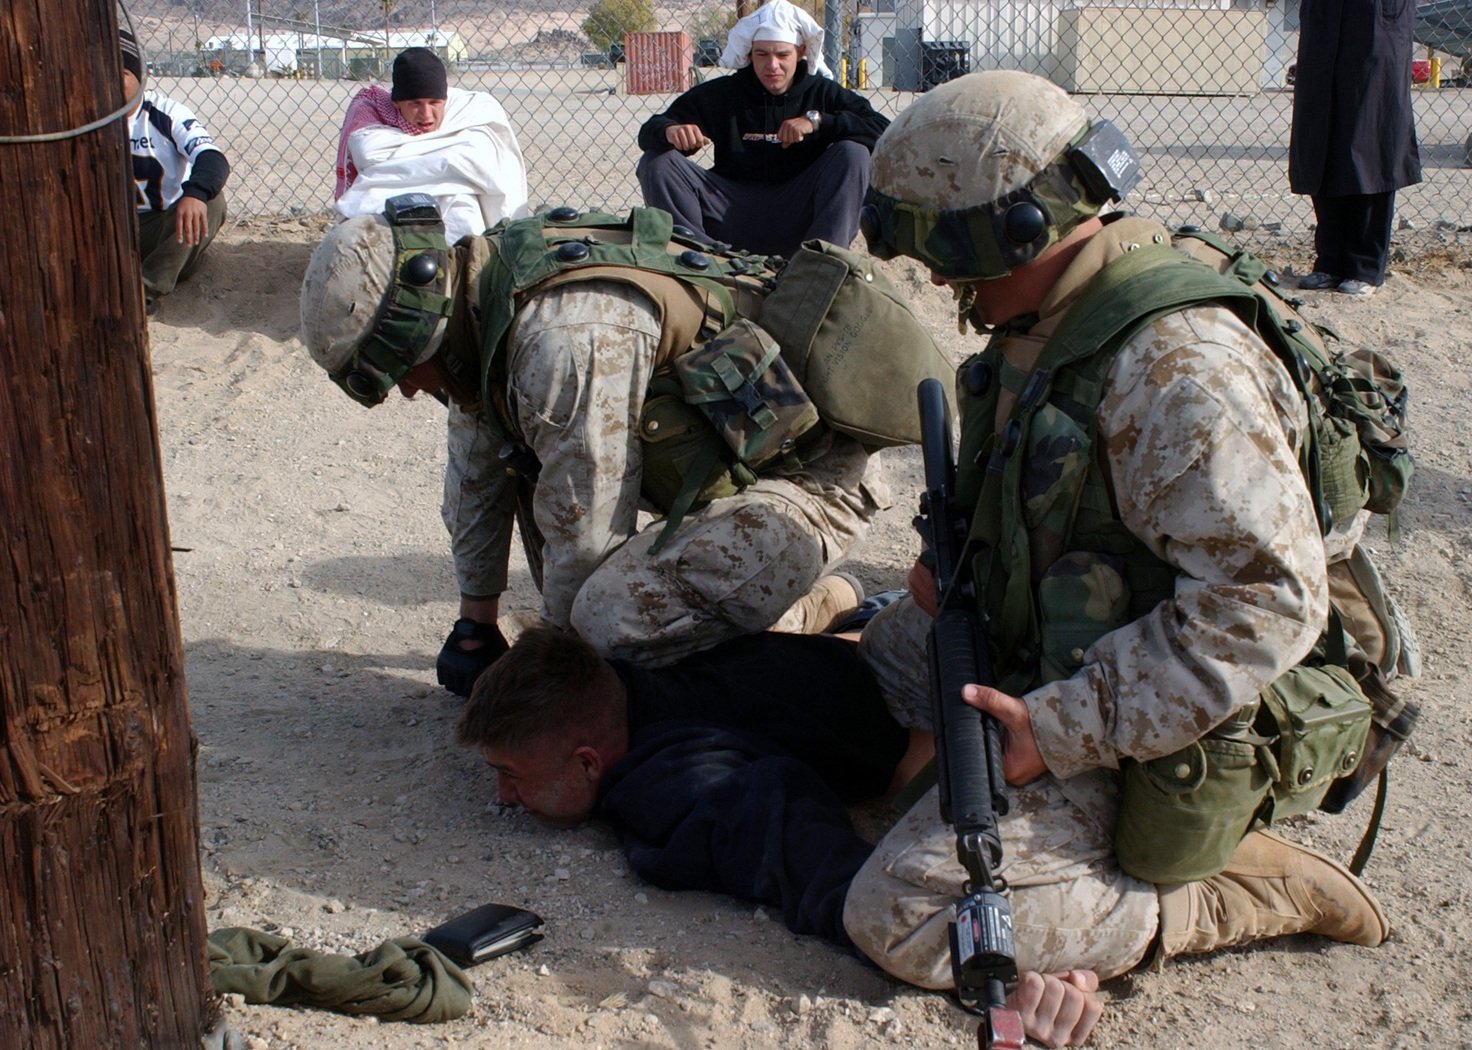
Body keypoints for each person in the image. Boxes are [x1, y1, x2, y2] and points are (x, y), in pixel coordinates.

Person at [838, 71, 1398, 1043]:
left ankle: (1232, 894)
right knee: (852, 695)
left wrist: (1058, 729)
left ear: (1018, 228)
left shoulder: (1174, 366)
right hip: (1080, 637)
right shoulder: (1048, 309)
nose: (936, 278)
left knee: (905, 915)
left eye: (945, 247)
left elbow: (1267, 603)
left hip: (1189, 700)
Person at [298, 202, 884, 698]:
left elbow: (587, 531)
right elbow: (475, 469)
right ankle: (740, 610)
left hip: (813, 486)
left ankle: (804, 612)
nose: (403, 389)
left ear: (413, 325)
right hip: (732, 481)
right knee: (574, 573)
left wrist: (558, 676)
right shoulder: (475, 303)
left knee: (609, 619)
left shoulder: (564, 342)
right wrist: (474, 628)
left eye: (398, 369)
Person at [458, 622, 1102, 1049]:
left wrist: (983, 961)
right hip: (877, 649)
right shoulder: (634, 681)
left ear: (588, 761)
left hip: (970, 723)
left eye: (511, 776)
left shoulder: (675, 783)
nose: (502, 797)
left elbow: (804, 855)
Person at [635, 0, 889, 258]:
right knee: (657, 162)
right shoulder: (723, 93)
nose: (772, 66)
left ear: (800, 52)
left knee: (853, 153)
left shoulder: (822, 92)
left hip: (798, 212)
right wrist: (671, 131)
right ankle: (699, 257)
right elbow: (649, 131)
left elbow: (882, 131)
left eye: (782, 55)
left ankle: (821, 263)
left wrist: (817, 121)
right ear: (748, 54)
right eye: (762, 54)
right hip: (729, 210)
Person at [1289, 0, 1422, 297]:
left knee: (1371, 131)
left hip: (1377, 17)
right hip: (1327, 15)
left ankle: (1365, 265)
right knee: (1324, 125)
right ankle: (1330, 260)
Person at [335, 47, 528, 244]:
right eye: (415, 103)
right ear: (397, 103)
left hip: (459, 195)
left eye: (434, 103)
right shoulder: (369, 111)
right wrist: (450, 154)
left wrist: (411, 156)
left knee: (465, 217)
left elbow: (479, 158)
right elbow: (367, 152)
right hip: (389, 197)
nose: (426, 115)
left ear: (445, 100)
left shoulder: (469, 110)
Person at [121, 29, 230, 303]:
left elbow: (212, 158)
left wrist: (196, 193)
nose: (108, 80)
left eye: (121, 73)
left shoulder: (165, 113)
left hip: (160, 229)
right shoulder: (80, 117)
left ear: (140, 76)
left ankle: (145, 291)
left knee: (212, 201)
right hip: (103, 227)